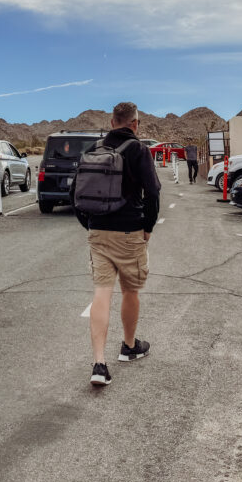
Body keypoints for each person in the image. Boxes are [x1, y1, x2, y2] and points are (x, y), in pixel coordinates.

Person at [71, 101, 161, 387]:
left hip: (98, 231)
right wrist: (147, 227)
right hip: (129, 233)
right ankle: (129, 346)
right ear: (135, 123)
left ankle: (99, 364)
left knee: (101, 293)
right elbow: (154, 193)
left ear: (112, 123)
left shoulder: (93, 149)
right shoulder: (139, 150)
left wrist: (89, 224)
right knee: (130, 290)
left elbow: (75, 192)